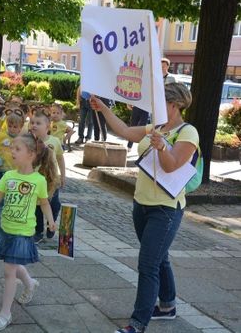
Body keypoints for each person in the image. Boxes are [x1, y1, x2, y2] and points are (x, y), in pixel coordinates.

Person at [90, 83, 199, 333]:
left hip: (166, 209)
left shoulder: (188, 132)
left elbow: (171, 167)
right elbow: (127, 131)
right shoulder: (156, 127)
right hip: (142, 204)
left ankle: (138, 323)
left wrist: (162, 147)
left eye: (159, 101)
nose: (154, 106)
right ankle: (168, 305)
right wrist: (105, 109)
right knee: (159, 257)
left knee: (148, 264)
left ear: (173, 104)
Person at [0, 133, 58, 331]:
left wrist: (51, 221)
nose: (12, 152)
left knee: (9, 271)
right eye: (12, 148)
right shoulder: (8, 176)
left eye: (17, 149)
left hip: (23, 232)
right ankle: (30, 283)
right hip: (6, 229)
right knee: (13, 263)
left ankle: (5, 314)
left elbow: (44, 203)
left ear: (31, 154)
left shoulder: (39, 180)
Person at [29, 110, 65, 242]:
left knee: (55, 204)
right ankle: (38, 232)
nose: (34, 125)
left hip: (51, 179)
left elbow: (60, 159)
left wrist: (63, 175)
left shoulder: (54, 141)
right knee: (37, 206)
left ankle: (52, 223)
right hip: (36, 179)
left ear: (47, 126)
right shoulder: (30, 143)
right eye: (32, 123)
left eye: (38, 123)